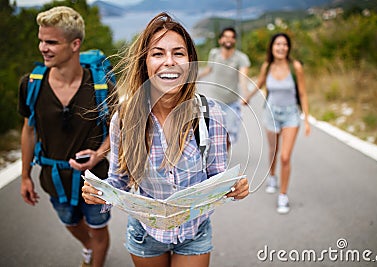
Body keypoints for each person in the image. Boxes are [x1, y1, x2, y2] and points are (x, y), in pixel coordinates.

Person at [82, 13, 249, 267]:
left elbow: (217, 176)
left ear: (190, 62)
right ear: (145, 63)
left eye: (178, 53)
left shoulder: (209, 113)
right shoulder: (125, 119)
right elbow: (120, 181)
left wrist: (233, 187)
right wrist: (101, 192)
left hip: (194, 232)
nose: (168, 62)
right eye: (158, 54)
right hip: (146, 235)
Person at [18, 6, 115, 267]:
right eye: (41, 40)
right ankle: (88, 248)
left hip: (97, 181)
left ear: (75, 44)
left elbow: (119, 129)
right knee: (71, 223)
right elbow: (29, 130)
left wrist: (99, 154)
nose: (43, 47)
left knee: (98, 228)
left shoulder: (102, 85)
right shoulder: (31, 84)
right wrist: (26, 175)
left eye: (51, 42)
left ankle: (95, 261)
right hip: (54, 179)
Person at [244, 33, 310, 214]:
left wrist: (307, 119)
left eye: (284, 44)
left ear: (288, 48)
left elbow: (303, 94)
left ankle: (283, 195)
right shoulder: (267, 66)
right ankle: (272, 176)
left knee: (285, 157)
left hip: (291, 116)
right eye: (277, 44)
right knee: (273, 151)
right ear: (272, 47)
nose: (281, 47)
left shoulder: (295, 67)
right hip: (271, 114)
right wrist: (247, 98)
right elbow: (259, 83)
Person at [198, 27, 251, 151]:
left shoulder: (241, 58)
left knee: (228, 134)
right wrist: (194, 78)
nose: (229, 39)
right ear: (220, 40)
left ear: (235, 41)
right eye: (226, 36)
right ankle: (216, 157)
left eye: (232, 37)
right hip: (215, 102)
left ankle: (223, 157)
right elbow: (208, 69)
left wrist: (246, 94)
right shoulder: (214, 53)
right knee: (214, 132)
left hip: (232, 102)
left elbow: (243, 78)